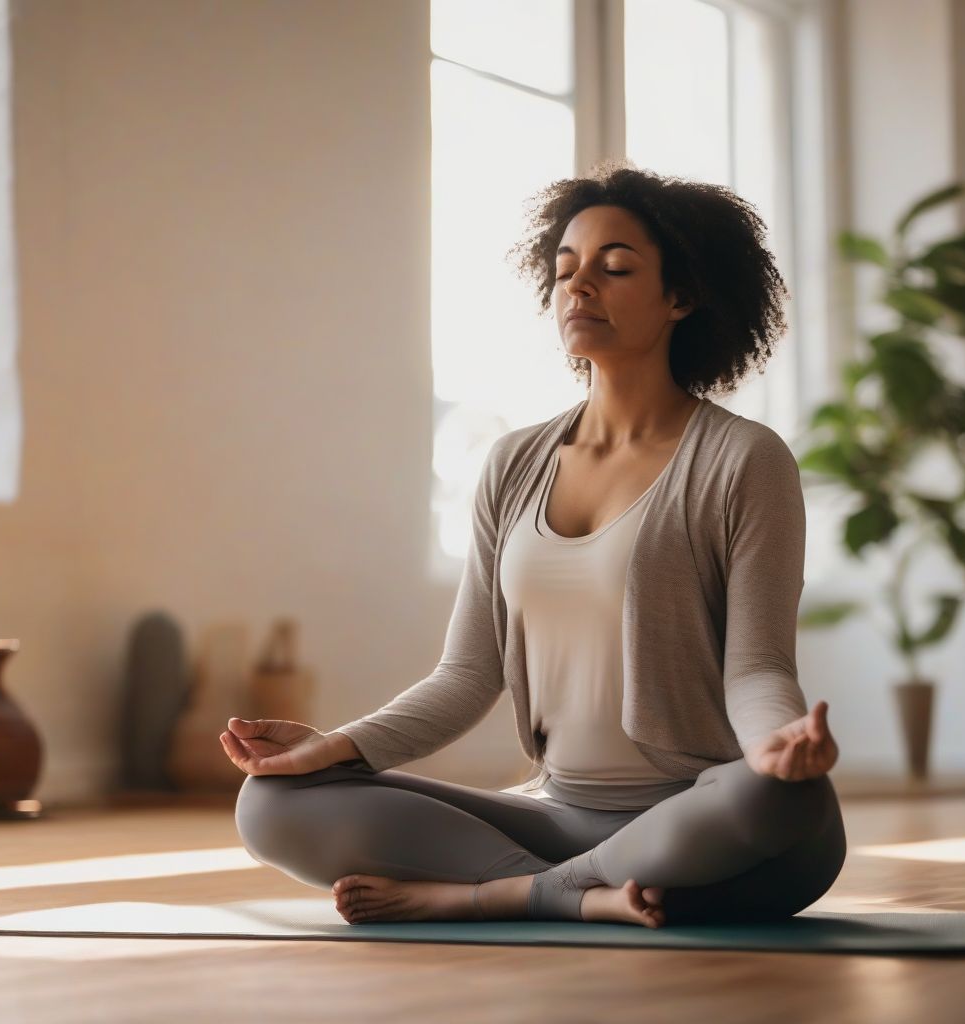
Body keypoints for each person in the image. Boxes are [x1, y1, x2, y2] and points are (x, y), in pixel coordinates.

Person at [221, 161, 846, 929]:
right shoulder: (515, 462)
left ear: (682, 297)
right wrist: (339, 749)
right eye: (565, 271)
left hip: (699, 814)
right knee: (273, 801)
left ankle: (502, 895)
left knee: (779, 797)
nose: (580, 287)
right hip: (558, 819)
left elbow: (756, 668)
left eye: (615, 269)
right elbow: (466, 675)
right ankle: (579, 892)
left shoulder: (743, 460)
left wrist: (781, 746)